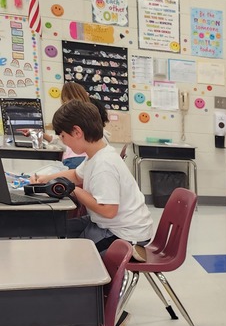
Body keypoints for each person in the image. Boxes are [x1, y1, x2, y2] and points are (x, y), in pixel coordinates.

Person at [31, 100, 153, 256]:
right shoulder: (96, 155)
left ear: (77, 132)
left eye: (63, 136)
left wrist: (73, 190)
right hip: (108, 224)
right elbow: (76, 175)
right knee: (56, 229)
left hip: (124, 235)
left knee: (71, 254)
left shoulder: (104, 164)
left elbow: (108, 210)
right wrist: (46, 178)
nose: (63, 141)